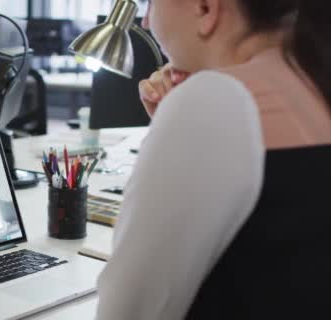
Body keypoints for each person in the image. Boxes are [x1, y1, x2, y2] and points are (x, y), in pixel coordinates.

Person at [96, 1, 331, 319]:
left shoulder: (216, 100)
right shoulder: (314, 83)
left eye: (151, 3)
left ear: (206, 9)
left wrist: (182, 120)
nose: (148, 21)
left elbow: (127, 310)